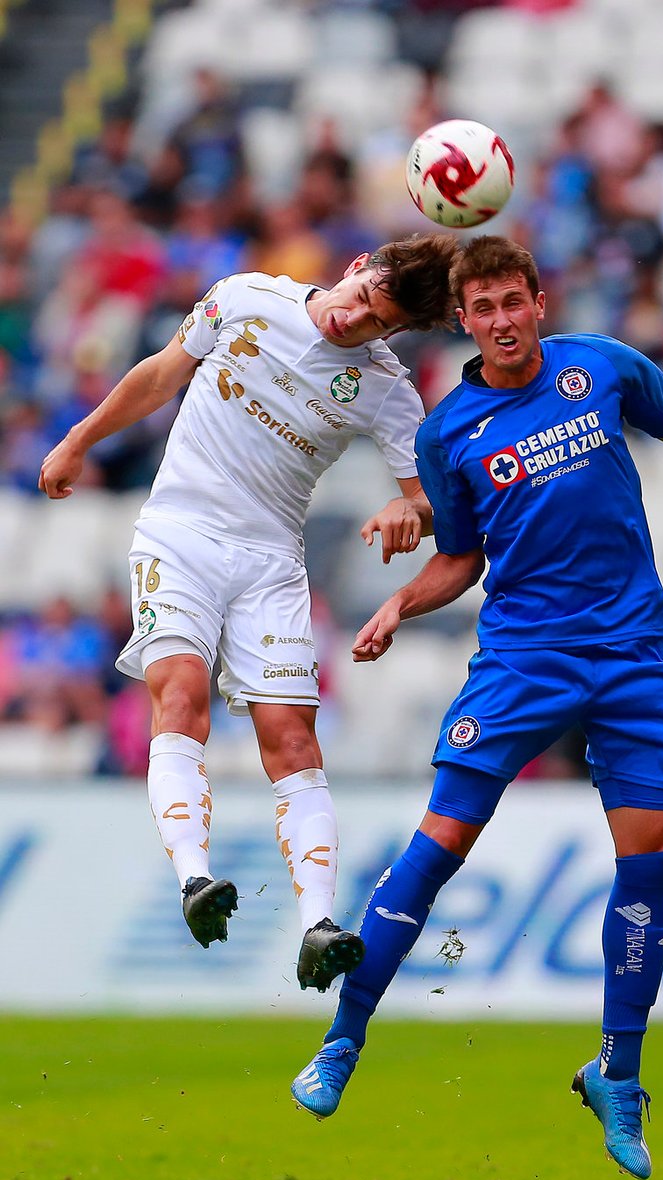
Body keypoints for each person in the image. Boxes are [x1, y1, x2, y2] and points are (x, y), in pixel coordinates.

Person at [291, 236, 663, 1177]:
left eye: (514, 301)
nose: (501, 320)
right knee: (441, 842)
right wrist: (397, 603)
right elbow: (460, 561)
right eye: (483, 307)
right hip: (523, 656)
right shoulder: (447, 431)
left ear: (539, 301)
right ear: (463, 319)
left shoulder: (603, 367)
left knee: (652, 855)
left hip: (628, 651)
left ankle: (617, 1072)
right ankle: (343, 1037)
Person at [38, 232, 458, 993]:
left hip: (270, 561)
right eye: (361, 298)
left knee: (292, 736)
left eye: (376, 323)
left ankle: (319, 925)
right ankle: (196, 878)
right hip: (180, 532)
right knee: (180, 697)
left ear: (392, 333)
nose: (354, 321)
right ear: (357, 264)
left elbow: (426, 498)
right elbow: (164, 372)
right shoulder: (245, 297)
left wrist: (411, 512)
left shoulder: (389, 389)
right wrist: (78, 441)